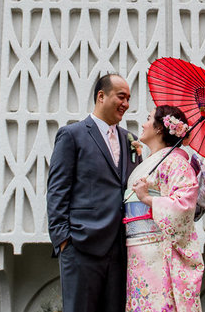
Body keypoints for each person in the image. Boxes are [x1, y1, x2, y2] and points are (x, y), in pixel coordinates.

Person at [47, 73, 140, 312]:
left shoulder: (131, 140)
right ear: (101, 96)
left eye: (129, 98)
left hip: (120, 250)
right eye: (121, 96)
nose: (126, 104)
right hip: (81, 245)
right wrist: (64, 240)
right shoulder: (72, 135)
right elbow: (57, 190)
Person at [124, 105, 204, 312]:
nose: (143, 124)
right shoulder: (152, 161)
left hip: (158, 250)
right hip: (137, 249)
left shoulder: (176, 162)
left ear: (160, 128)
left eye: (148, 118)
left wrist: (147, 199)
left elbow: (184, 204)